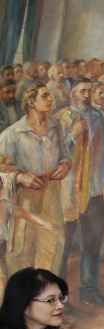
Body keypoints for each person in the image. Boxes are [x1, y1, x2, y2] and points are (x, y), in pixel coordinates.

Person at [0, 84, 70, 275]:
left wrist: (65, 165)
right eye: (45, 96)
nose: (50, 99)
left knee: (52, 246)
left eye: (50, 95)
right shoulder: (13, 134)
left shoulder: (55, 126)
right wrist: (20, 177)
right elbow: (1, 169)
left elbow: (64, 155)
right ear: (31, 102)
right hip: (25, 197)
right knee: (23, 249)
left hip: (51, 195)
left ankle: (46, 298)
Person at [58, 78, 104, 306]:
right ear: (72, 96)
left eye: (90, 91)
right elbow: (55, 153)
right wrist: (72, 135)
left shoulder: (98, 118)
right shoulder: (61, 119)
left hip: (94, 190)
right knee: (64, 246)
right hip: (70, 191)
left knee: (93, 241)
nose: (87, 95)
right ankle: (60, 296)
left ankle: (89, 289)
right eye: (82, 91)